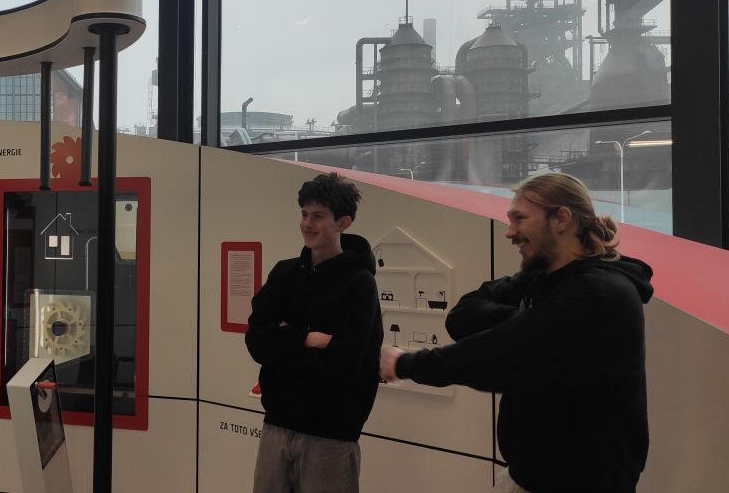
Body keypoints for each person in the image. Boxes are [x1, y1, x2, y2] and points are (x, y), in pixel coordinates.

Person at [380, 172, 652, 493]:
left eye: (519, 219)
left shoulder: (601, 292)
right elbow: (462, 315)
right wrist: (526, 322)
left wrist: (406, 364)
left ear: (561, 218)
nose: (510, 232)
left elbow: (496, 356)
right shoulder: (539, 278)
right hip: (527, 476)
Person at [245, 172, 382, 493]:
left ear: (343, 222)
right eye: (304, 214)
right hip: (276, 426)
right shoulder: (284, 273)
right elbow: (256, 341)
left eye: (318, 216)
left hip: (331, 438)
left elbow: (344, 365)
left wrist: (282, 344)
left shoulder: (360, 285)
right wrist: (306, 338)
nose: (307, 223)